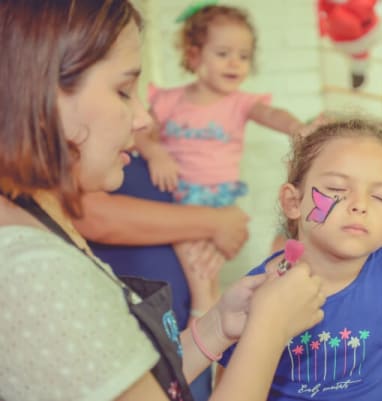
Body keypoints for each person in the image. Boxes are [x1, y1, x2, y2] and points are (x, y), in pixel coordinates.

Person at [0, 2, 325, 401]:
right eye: (122, 91)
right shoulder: (35, 272)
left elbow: (148, 383)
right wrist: (269, 331)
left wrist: (218, 327)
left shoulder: (37, 222)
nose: (142, 119)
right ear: (39, 95)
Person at [219, 119, 382, 400]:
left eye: (379, 196)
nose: (360, 205)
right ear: (293, 202)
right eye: (338, 190)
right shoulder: (259, 290)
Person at [136, 3, 315, 311]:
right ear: (194, 55)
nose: (235, 63)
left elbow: (271, 114)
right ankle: (205, 317)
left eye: (243, 56)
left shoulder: (240, 103)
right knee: (198, 270)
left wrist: (297, 127)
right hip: (180, 199)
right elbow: (140, 132)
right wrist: (155, 153)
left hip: (220, 201)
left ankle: (205, 322)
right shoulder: (170, 101)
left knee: (207, 269)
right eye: (223, 54)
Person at [75, 154, 251, 401]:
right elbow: (91, 215)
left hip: (190, 326)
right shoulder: (95, 165)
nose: (141, 119)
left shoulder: (162, 153)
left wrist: (208, 238)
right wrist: (213, 222)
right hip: (136, 333)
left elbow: (227, 231)